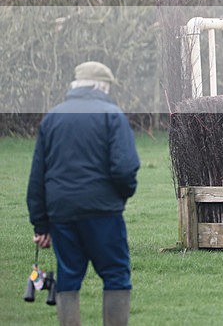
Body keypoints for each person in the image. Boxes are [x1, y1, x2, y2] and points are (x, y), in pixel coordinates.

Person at [27, 61, 140, 326]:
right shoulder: (112, 115)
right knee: (115, 275)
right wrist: (122, 195)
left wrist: (41, 224)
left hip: (62, 213)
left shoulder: (52, 118)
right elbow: (125, 168)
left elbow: (37, 177)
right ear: (102, 86)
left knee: (68, 276)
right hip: (103, 212)